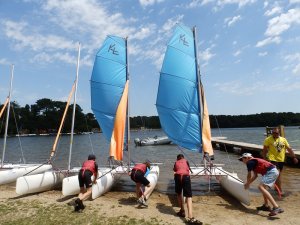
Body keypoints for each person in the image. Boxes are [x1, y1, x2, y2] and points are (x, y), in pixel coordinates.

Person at [262, 127, 298, 194]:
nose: (275, 134)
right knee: (278, 174)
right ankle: (280, 191)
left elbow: (289, 148)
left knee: (279, 175)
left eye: (277, 133)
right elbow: (264, 150)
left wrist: (294, 157)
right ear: (272, 133)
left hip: (281, 159)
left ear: (279, 133)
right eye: (274, 133)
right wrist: (264, 159)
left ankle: (276, 188)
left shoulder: (283, 139)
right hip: (272, 159)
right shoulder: (268, 139)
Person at [173, 154, 202, 224]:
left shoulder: (176, 162)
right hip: (185, 177)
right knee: (189, 196)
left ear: (177, 159)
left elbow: (174, 171)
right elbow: (187, 169)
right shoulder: (186, 161)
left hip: (177, 176)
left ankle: (182, 211)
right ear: (183, 158)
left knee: (179, 194)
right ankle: (190, 217)